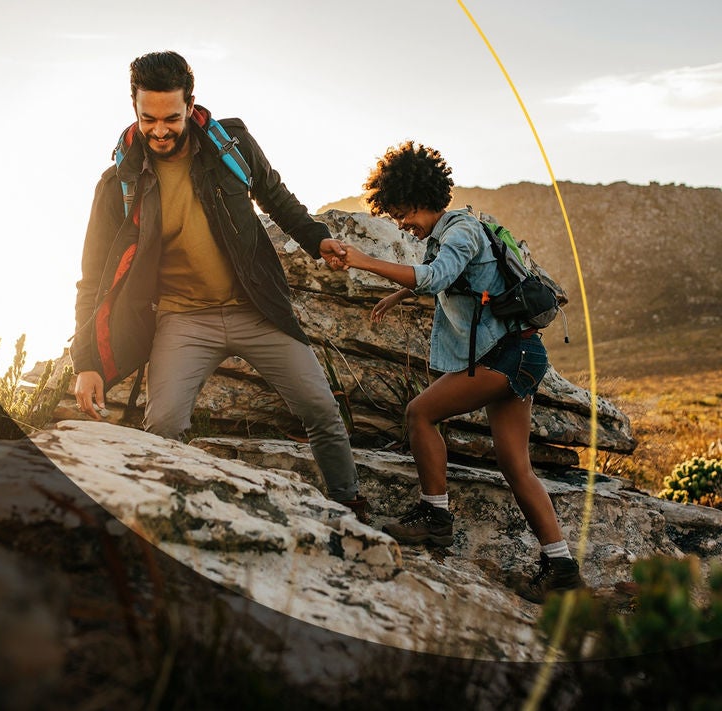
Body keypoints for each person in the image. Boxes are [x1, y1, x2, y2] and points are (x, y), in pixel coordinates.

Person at [70, 51, 367, 522]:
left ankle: (350, 505)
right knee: (163, 424)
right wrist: (86, 362)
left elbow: (277, 198)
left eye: (171, 117)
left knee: (320, 408)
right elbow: (92, 278)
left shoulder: (232, 146)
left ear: (190, 105)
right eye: (149, 119)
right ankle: (163, 520)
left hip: (256, 308)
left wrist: (318, 240)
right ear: (134, 108)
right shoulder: (117, 184)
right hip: (181, 318)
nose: (160, 129)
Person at [329, 140, 585, 603]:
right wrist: (395, 296)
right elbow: (441, 272)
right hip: (520, 354)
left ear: (421, 197)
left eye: (403, 211)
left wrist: (366, 262)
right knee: (515, 465)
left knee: (419, 414)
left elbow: (437, 277)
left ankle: (435, 517)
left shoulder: (461, 230)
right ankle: (562, 566)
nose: (402, 223)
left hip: (506, 356)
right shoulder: (452, 230)